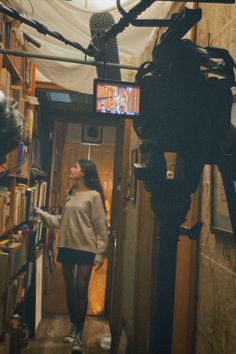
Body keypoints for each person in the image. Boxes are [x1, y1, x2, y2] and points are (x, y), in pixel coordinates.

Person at [34, 159, 108, 352]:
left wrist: (100, 253)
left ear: (83, 172)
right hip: (67, 246)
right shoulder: (70, 194)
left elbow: (101, 228)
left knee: (80, 288)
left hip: (86, 248)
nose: (71, 168)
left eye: (75, 167)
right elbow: (60, 221)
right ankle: (73, 327)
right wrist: (40, 213)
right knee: (69, 289)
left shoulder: (94, 196)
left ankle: (78, 333)